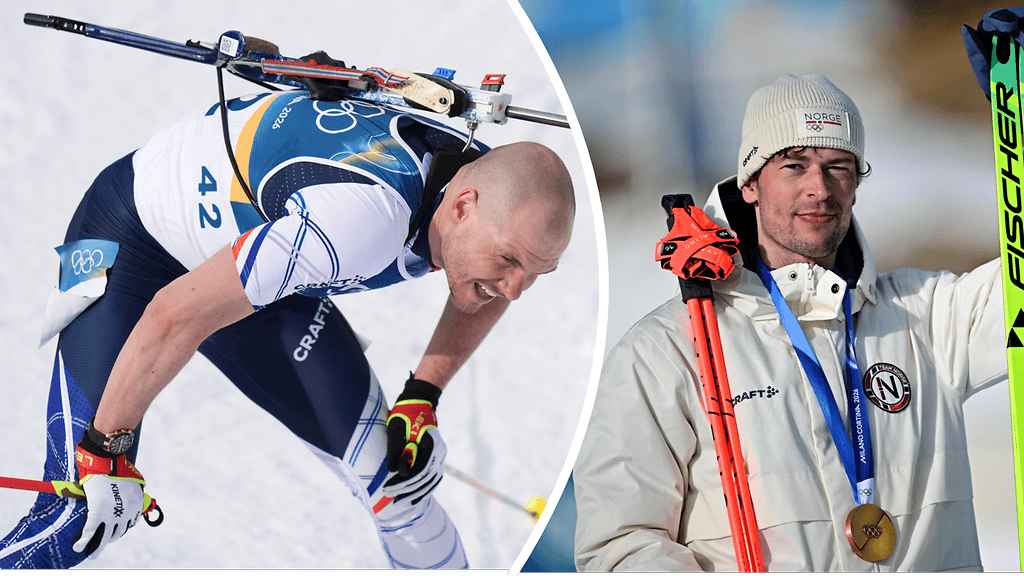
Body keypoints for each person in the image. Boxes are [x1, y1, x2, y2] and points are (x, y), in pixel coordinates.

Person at [0, 83, 575, 570]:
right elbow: (172, 313)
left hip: (260, 265)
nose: (516, 289)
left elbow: (488, 283)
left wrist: (422, 394)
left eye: (537, 273)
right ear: (462, 207)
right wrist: (108, 449)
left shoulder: (493, 201)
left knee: (398, 490)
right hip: (134, 246)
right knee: (83, 504)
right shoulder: (363, 222)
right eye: (508, 262)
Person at [573, 73, 1006, 571]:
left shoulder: (926, 317)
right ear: (751, 183)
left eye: (838, 166)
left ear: (858, 182)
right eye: (794, 165)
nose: (818, 188)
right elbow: (622, 545)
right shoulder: (667, 351)